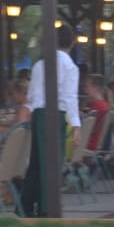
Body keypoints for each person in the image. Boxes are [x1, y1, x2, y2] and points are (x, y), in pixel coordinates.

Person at [24, 24, 82, 217]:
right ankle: (47, 208)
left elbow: (31, 95)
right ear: (72, 43)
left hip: (38, 114)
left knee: (36, 162)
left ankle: (25, 206)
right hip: (55, 115)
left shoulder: (40, 64)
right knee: (52, 163)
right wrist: (76, 125)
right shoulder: (69, 66)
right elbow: (70, 97)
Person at [82, 74, 111, 152]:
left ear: (96, 88)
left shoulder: (97, 107)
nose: (84, 90)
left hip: (87, 146)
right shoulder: (104, 105)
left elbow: (86, 130)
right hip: (93, 145)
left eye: (87, 87)